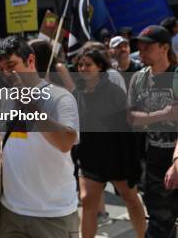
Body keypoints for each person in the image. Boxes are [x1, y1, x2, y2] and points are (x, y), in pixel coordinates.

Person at [0, 36, 80, 238]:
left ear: (30, 60)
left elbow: (65, 143)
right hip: (11, 211)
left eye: (11, 65)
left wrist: (27, 101)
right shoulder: (0, 98)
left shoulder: (60, 97)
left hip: (53, 214)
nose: (7, 74)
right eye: (1, 69)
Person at [74, 48, 146, 238]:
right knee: (87, 202)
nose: (83, 68)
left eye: (88, 64)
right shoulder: (77, 91)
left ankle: (143, 236)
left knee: (130, 198)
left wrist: (132, 164)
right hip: (90, 157)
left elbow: (126, 130)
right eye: (80, 65)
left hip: (117, 157)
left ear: (100, 67)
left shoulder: (113, 92)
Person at [126, 25, 178, 238]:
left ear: (165, 47)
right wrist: (163, 114)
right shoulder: (139, 79)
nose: (141, 51)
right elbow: (131, 119)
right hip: (154, 160)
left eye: (147, 47)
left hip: (175, 157)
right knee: (159, 222)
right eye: (139, 46)